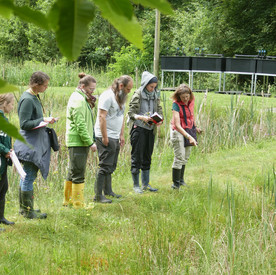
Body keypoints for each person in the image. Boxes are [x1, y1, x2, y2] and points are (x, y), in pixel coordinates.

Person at [14, 71, 57, 219]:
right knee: (28, 177)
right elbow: (24, 124)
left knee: (26, 175)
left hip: (33, 141)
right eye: (45, 85)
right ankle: (28, 211)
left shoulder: (34, 96)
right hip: (30, 144)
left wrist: (44, 120)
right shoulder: (27, 99)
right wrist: (43, 119)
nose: (46, 88)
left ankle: (25, 208)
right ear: (36, 84)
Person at [94, 75, 133, 203]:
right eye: (128, 89)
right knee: (105, 165)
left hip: (115, 135)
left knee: (111, 165)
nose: (129, 91)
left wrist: (121, 135)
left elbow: (120, 117)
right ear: (121, 86)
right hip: (105, 135)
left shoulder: (121, 98)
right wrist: (105, 137)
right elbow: (101, 117)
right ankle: (98, 196)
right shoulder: (107, 96)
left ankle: (108, 191)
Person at [64, 72, 97, 209]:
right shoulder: (78, 100)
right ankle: (78, 204)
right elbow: (80, 124)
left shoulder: (81, 97)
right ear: (83, 86)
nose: (92, 92)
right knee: (78, 172)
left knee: (72, 171)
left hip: (78, 141)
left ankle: (68, 201)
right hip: (78, 142)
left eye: (94, 90)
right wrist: (90, 142)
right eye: (91, 89)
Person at [128, 71, 163, 194]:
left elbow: (159, 109)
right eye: (151, 86)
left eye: (154, 87)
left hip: (150, 129)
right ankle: (136, 185)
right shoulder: (138, 94)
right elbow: (130, 113)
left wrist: (159, 120)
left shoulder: (155, 95)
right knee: (137, 156)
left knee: (147, 156)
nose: (153, 89)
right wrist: (141, 118)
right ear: (145, 84)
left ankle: (146, 184)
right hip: (139, 129)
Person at [170, 84, 200, 189]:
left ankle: (181, 180)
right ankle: (175, 184)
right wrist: (189, 137)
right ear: (179, 97)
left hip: (189, 129)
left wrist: (195, 127)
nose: (185, 99)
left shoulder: (191, 101)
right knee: (180, 156)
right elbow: (177, 125)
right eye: (183, 97)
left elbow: (191, 115)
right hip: (178, 131)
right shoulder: (176, 105)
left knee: (186, 156)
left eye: (187, 96)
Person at [0, 93, 15, 230]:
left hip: (3, 162)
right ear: (4, 104)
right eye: (11, 104)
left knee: (3, 188)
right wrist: (5, 150)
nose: (12, 107)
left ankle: (1, 217)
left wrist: (9, 148)